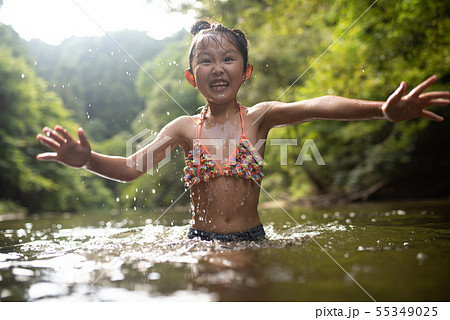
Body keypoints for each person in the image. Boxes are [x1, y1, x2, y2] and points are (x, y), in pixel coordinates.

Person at [36, 20, 450, 242]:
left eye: (228, 58)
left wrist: (381, 110)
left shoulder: (259, 118)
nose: (217, 67)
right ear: (190, 76)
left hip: (253, 238)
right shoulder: (182, 128)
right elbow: (130, 168)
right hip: (198, 240)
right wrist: (86, 159)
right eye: (205, 60)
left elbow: (317, 106)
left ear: (245, 71)